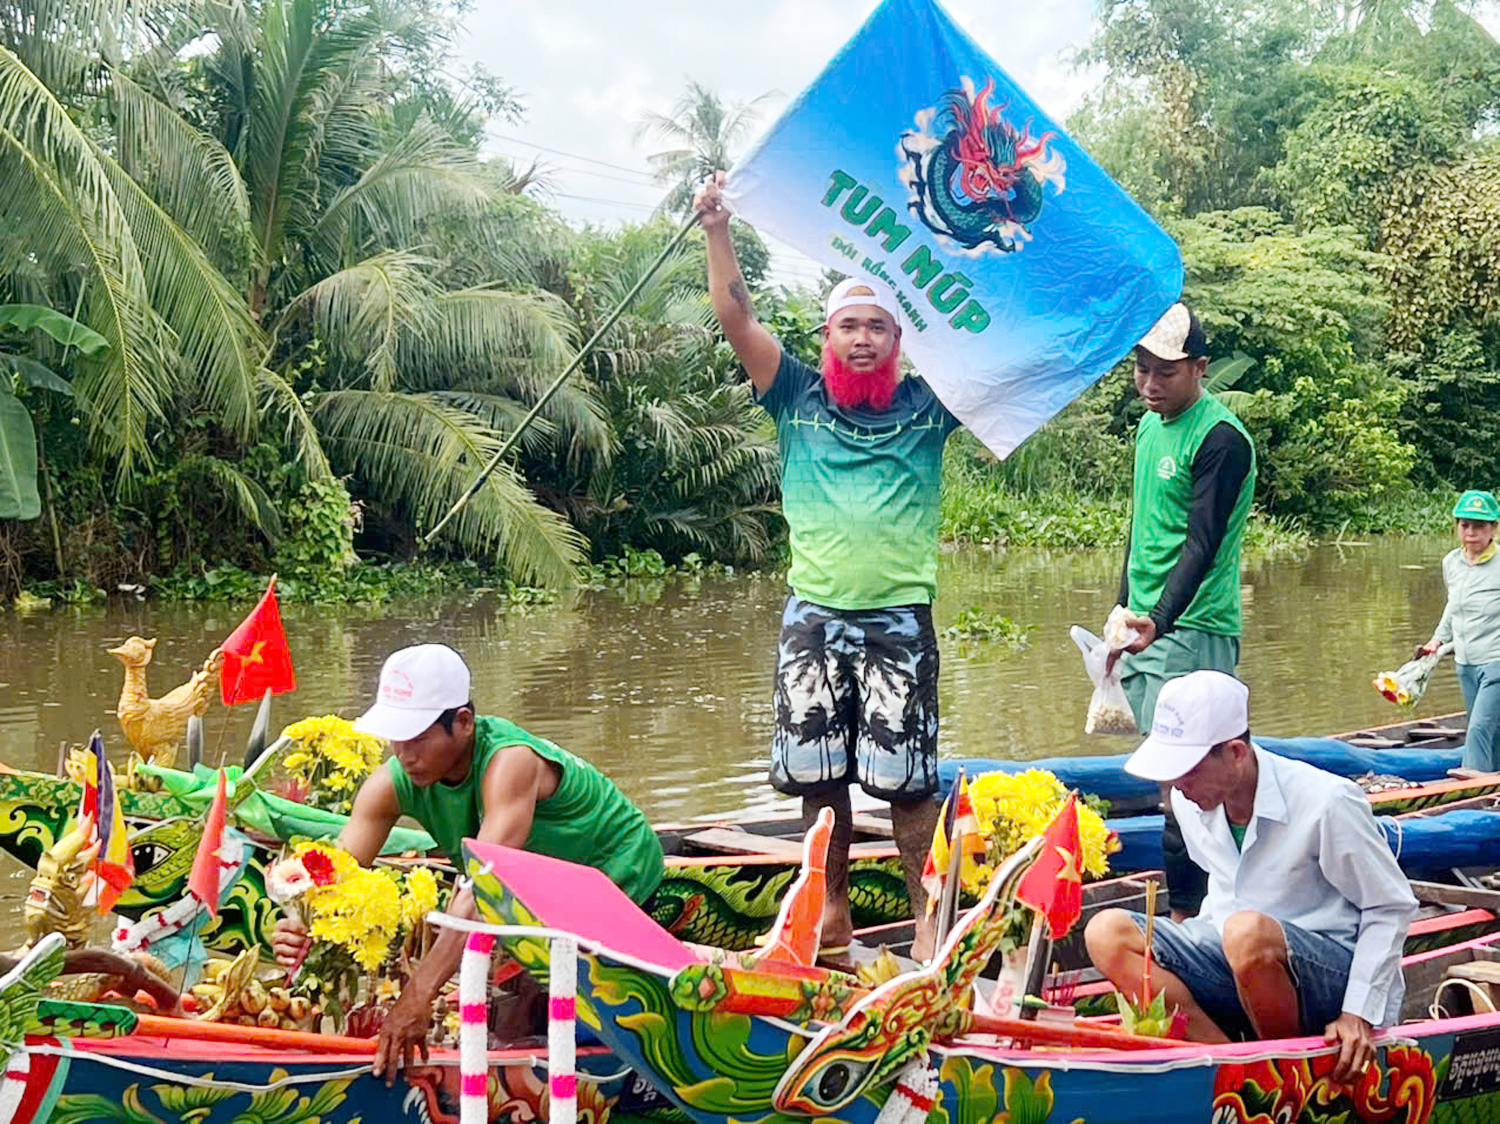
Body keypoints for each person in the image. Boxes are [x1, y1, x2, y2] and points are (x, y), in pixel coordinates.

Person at [692, 171, 962, 959]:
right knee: (820, 781)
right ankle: (833, 912)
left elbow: (1004, 363)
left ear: (899, 342)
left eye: (879, 326)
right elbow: (734, 314)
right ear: (827, 337)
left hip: (899, 618)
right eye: (851, 325)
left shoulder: (927, 405)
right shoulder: (794, 395)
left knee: (911, 785)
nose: (865, 338)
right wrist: (717, 228)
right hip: (813, 616)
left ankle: (926, 923)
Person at [270, 643, 666, 1083]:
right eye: (397, 737)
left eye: (418, 737)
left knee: (531, 1024)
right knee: (500, 1013)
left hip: (615, 875)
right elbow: (335, 873)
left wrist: (418, 993)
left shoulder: (510, 762)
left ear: (463, 723)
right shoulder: (392, 782)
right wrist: (299, 922)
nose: (405, 754)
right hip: (533, 891)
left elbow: (482, 886)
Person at [1084, 671, 1416, 1084]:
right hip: (1235, 956)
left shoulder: (1326, 802)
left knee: (1246, 933)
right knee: (1105, 931)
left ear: (1236, 753)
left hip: (1326, 973)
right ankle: (1232, 1067)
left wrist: (1357, 1013)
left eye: (1186, 772)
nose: (1175, 787)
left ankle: (1286, 1073)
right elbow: (1222, 891)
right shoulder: (1190, 802)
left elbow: (1390, 906)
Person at [1107, 301, 1256, 921]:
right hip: (1146, 627)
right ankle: (1193, 911)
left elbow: (1202, 543)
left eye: (1164, 372)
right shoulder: (1148, 426)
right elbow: (1142, 530)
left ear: (1198, 368)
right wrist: (1120, 608)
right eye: (1141, 369)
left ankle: (1194, 918)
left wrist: (1158, 621)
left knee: (1191, 791)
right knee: (1172, 782)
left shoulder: (1220, 439)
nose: (1149, 384)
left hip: (1191, 629)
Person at [1418, 489, 1500, 772]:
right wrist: (1437, 639)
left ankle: (1471, 787)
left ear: (1494, 529)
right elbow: (1453, 607)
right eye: (1465, 525)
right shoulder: (1451, 562)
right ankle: (1493, 779)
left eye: (1479, 526)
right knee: (1490, 727)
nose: (1471, 533)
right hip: (1464, 662)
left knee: (1478, 728)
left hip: (1496, 662)